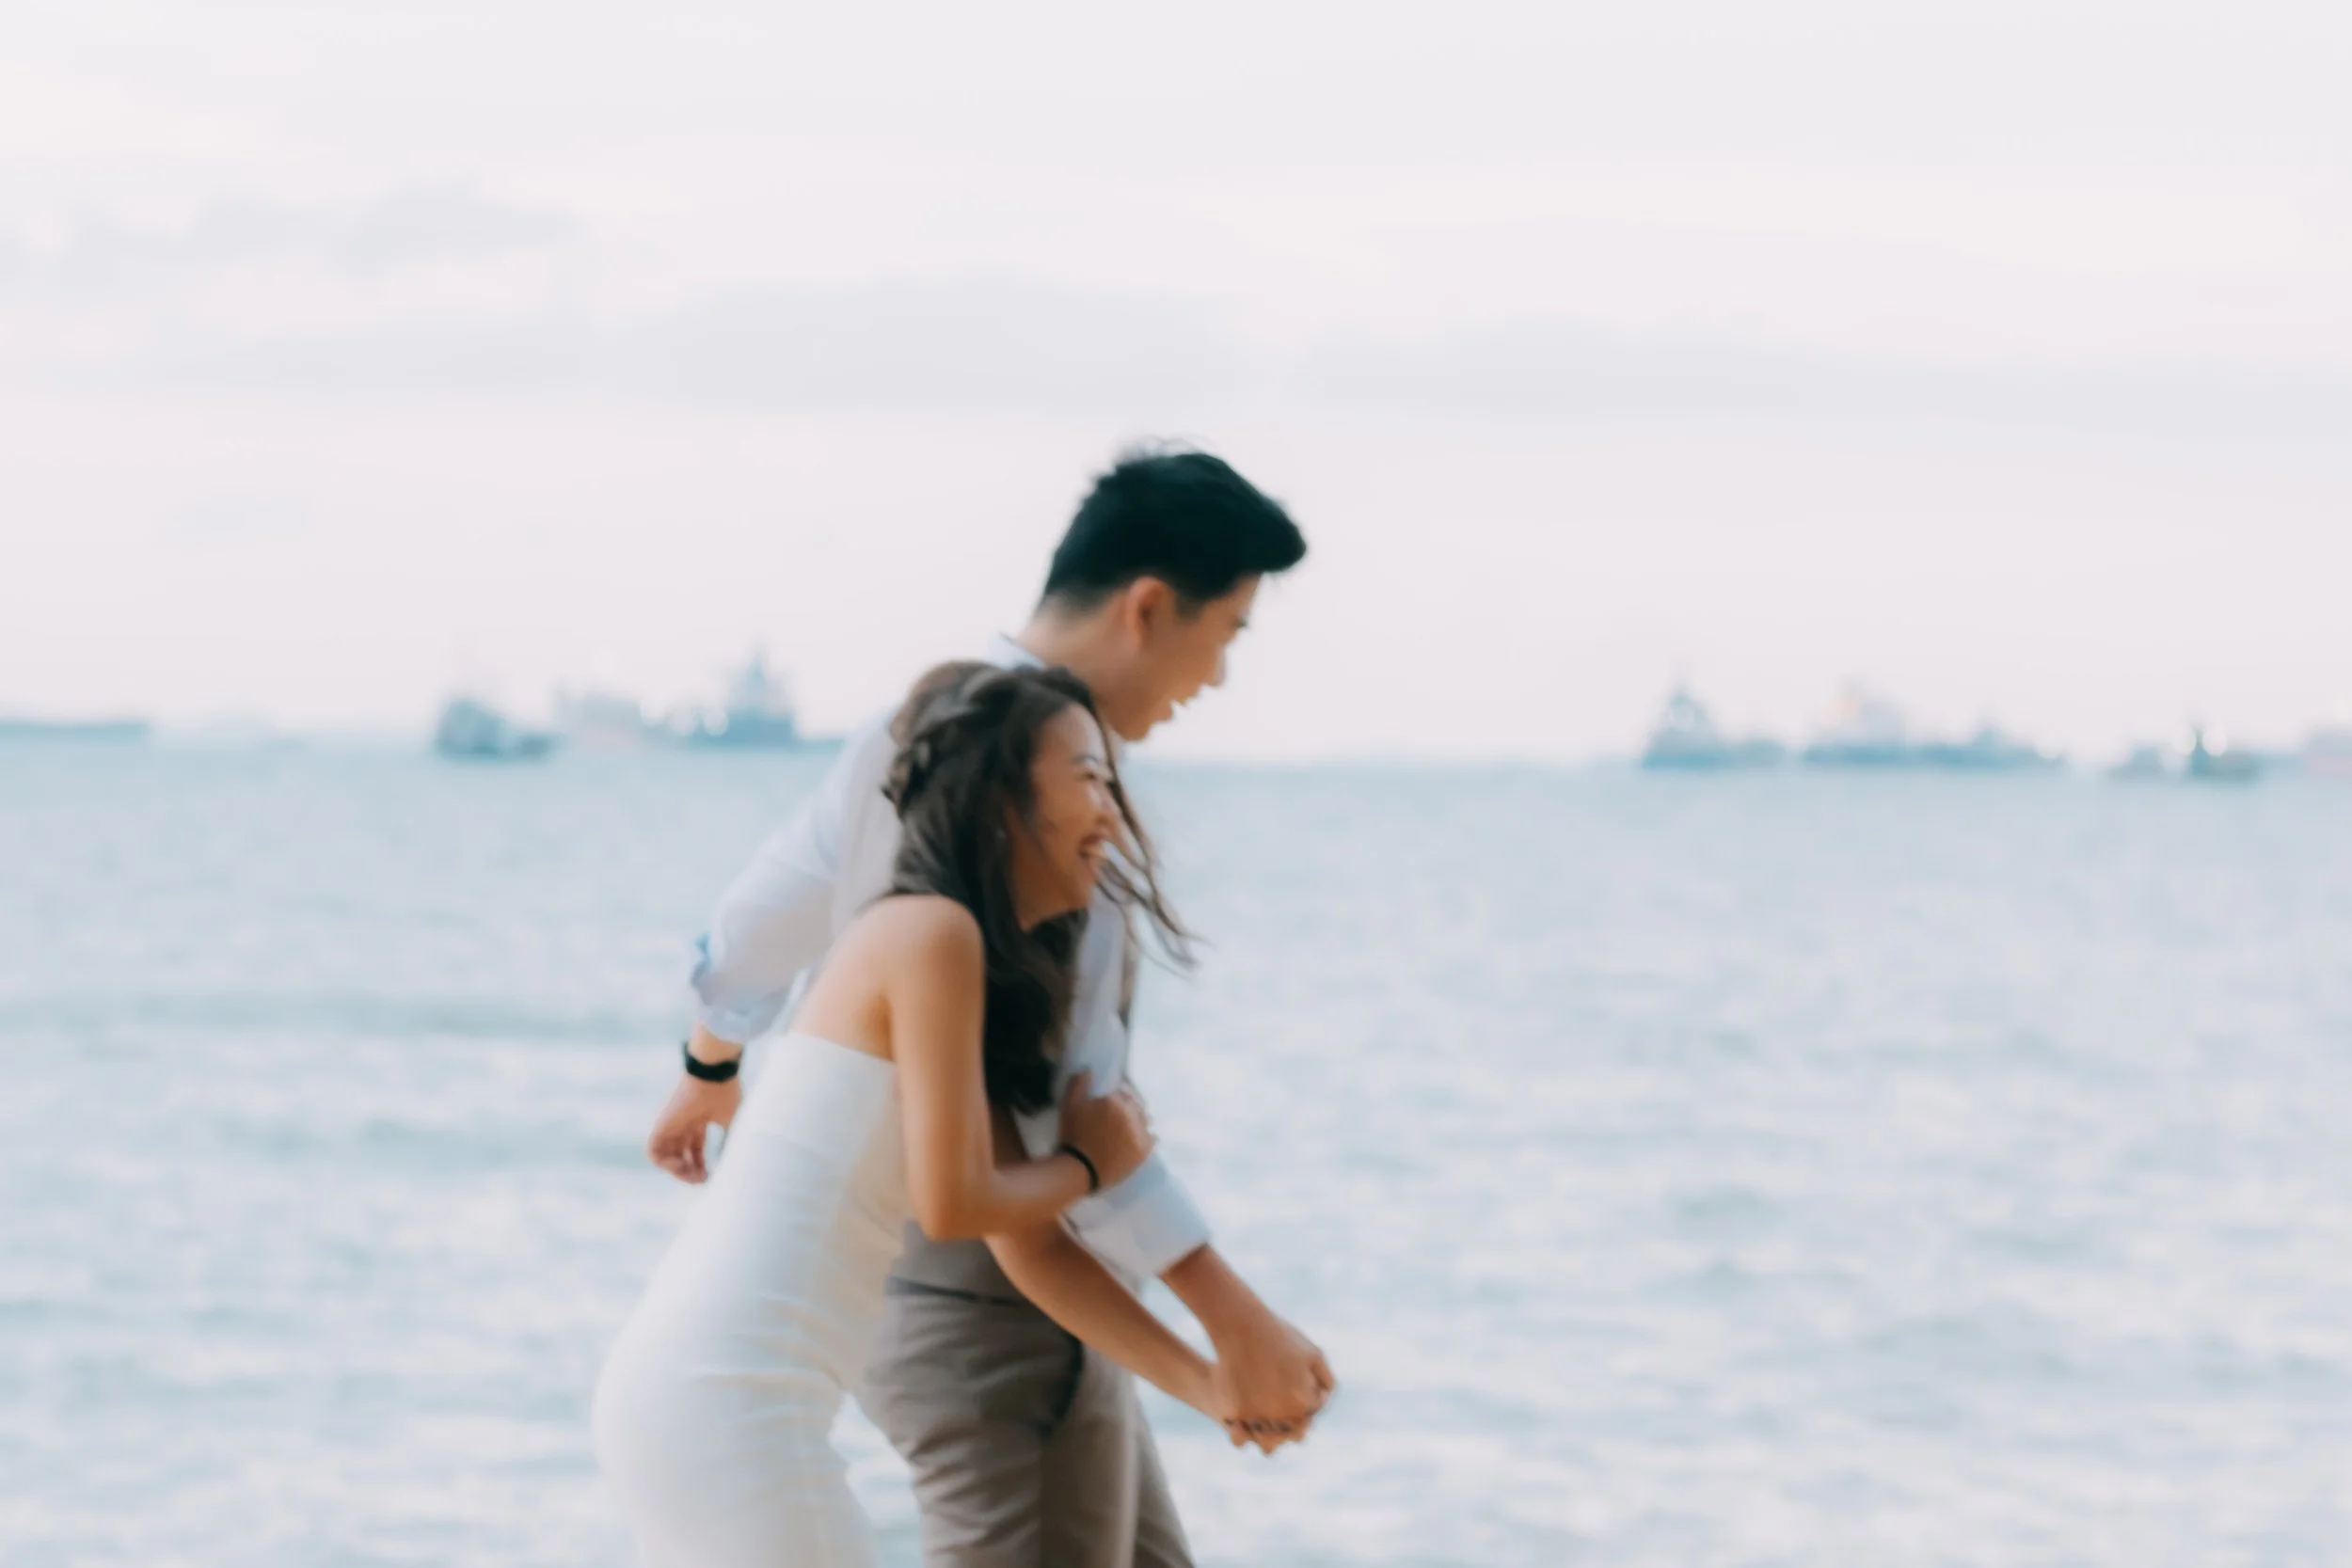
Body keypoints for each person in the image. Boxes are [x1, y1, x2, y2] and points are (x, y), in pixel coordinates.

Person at [643, 449, 1331, 1568]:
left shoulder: (911, 731)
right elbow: (1074, 1123)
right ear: (1148, 607)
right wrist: (1228, 1315)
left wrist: (710, 1064)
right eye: (1228, 633)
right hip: (995, 1306)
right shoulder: (1051, 816)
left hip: (953, 1292)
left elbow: (756, 922)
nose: (1216, 677)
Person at [596, 662, 1200, 1566]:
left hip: (688, 1396)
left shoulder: (929, 944)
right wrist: (1090, 1163)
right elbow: (956, 1202)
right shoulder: (933, 934)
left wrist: (1215, 1384)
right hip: (735, 1409)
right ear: (1003, 801)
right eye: (1088, 778)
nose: (1113, 813)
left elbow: (1018, 1234)